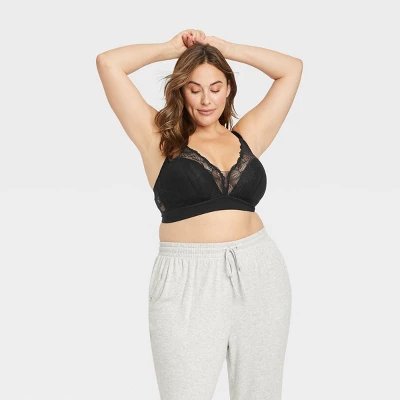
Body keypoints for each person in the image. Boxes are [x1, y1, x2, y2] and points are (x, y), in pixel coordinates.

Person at [96, 29, 302, 400]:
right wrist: (168, 49)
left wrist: (228, 49)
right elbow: (108, 63)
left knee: (261, 393)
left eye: (215, 87)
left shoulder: (247, 135)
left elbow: (291, 69)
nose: (206, 99)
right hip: (186, 280)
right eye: (194, 89)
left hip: (259, 270)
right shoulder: (159, 138)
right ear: (180, 91)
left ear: (228, 89)